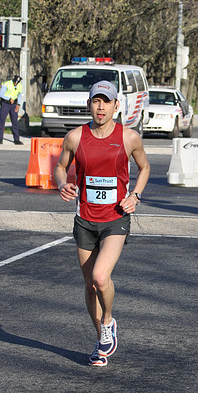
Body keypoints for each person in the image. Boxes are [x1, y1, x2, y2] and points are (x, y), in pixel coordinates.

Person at [54, 80, 151, 366]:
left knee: (99, 277)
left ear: (115, 106)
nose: (100, 106)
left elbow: (145, 168)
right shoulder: (75, 137)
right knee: (88, 285)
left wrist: (135, 195)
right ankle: (101, 340)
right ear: (89, 104)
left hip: (115, 219)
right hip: (85, 219)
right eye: (96, 101)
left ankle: (108, 322)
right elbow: (60, 167)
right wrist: (62, 184)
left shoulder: (128, 137)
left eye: (106, 101)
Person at [0, 75, 24, 145]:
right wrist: (9, 99)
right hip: (5, 104)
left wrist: (18, 104)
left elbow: (19, 95)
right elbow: (1, 94)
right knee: (2, 121)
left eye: (17, 82)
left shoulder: (19, 86)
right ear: (13, 80)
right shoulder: (7, 84)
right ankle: (0, 138)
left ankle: (16, 139)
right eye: (15, 82)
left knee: (15, 122)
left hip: (13, 105)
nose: (16, 83)